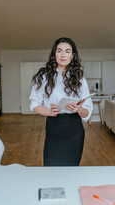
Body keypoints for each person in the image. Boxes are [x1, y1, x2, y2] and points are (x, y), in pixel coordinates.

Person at [29, 37, 93, 166]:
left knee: (72, 168)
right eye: (59, 51)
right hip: (54, 126)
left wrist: (79, 109)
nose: (63, 54)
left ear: (72, 55)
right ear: (54, 54)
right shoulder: (43, 77)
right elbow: (34, 104)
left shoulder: (80, 79)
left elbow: (87, 110)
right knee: (51, 167)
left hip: (75, 129)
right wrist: (48, 111)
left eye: (67, 51)